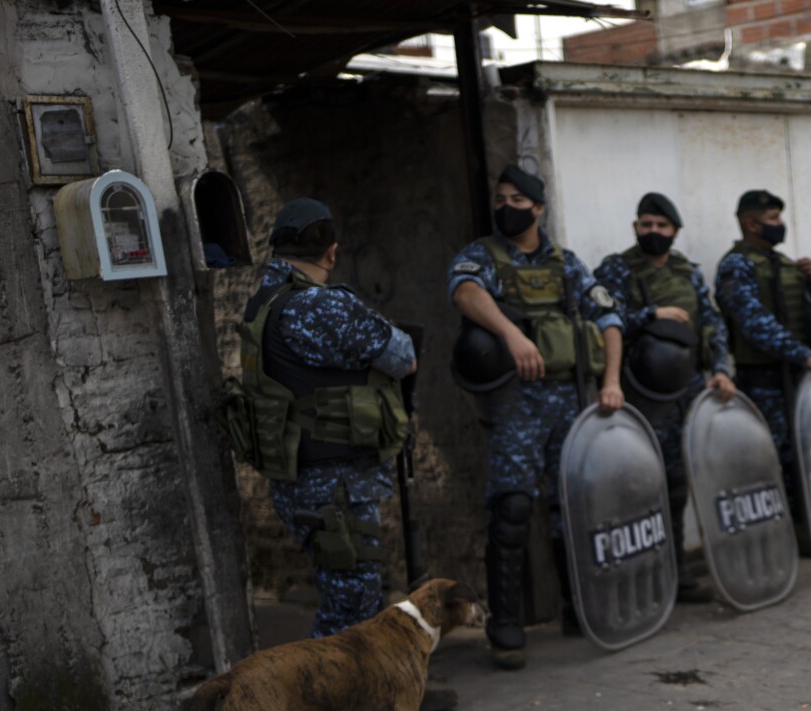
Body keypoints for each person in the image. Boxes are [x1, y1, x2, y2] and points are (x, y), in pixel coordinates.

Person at [447, 164, 624, 671]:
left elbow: (608, 318)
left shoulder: (566, 263)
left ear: (538, 208)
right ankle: (506, 626)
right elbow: (464, 291)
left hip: (568, 398)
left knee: (572, 505)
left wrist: (611, 382)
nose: (507, 206)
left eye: (517, 200)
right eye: (500, 197)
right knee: (512, 508)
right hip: (514, 401)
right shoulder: (484, 256)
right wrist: (512, 333)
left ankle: (579, 608)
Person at [240, 198, 416, 639]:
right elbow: (403, 355)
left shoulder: (264, 301)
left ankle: (374, 687)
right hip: (333, 481)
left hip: (298, 477)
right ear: (332, 252)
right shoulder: (318, 305)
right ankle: (333, 699)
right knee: (349, 605)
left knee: (353, 592)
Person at [595, 192, 736, 604]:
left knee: (677, 482)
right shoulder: (617, 268)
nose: (652, 232)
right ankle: (642, 574)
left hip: (687, 388)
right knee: (640, 483)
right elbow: (603, 316)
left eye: (660, 226)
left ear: (675, 231)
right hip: (640, 389)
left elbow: (711, 323)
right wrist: (651, 315)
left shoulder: (686, 272)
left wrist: (722, 369)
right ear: (635, 227)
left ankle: (674, 573)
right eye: (645, 225)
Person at [714, 189, 811, 522]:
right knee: (771, 460)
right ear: (751, 224)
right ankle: (778, 533)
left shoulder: (785, 264)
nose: (780, 224)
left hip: (796, 377)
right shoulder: (735, 266)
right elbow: (754, 323)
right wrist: (803, 355)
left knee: (805, 454)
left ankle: (807, 528)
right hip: (762, 380)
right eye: (772, 218)